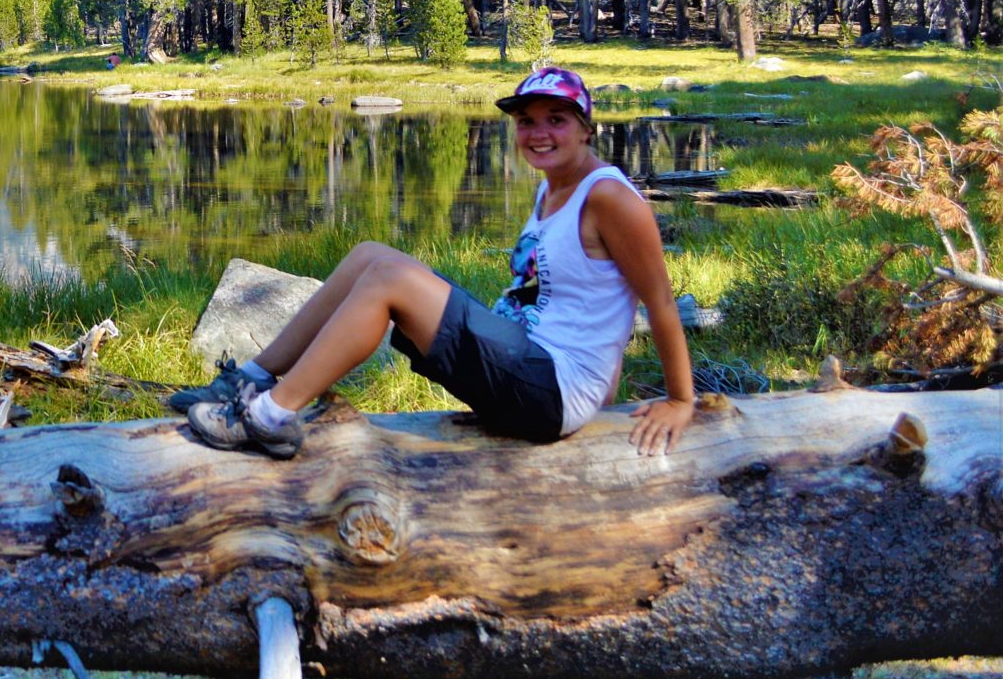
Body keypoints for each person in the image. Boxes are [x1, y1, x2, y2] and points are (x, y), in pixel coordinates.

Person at [172, 66, 695, 459]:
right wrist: (603, 380)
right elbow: (590, 303)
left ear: (586, 129)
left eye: (556, 120)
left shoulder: (608, 197)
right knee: (370, 255)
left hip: (549, 391)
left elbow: (659, 301)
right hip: (530, 367)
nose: (539, 133)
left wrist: (679, 400)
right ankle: (252, 378)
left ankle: (268, 416)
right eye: (526, 122)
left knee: (388, 279)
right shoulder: (552, 189)